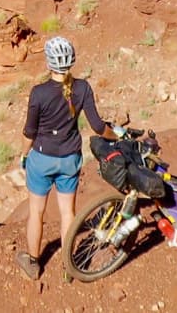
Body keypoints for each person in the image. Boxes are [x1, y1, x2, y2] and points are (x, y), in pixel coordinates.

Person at [16, 35, 124, 281]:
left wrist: (24, 155)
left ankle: (33, 263)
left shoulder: (39, 93)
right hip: (69, 159)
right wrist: (116, 135)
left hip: (42, 159)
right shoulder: (82, 88)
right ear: (71, 61)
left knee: (36, 212)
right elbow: (99, 126)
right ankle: (68, 266)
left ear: (49, 62)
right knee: (68, 213)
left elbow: (29, 132)